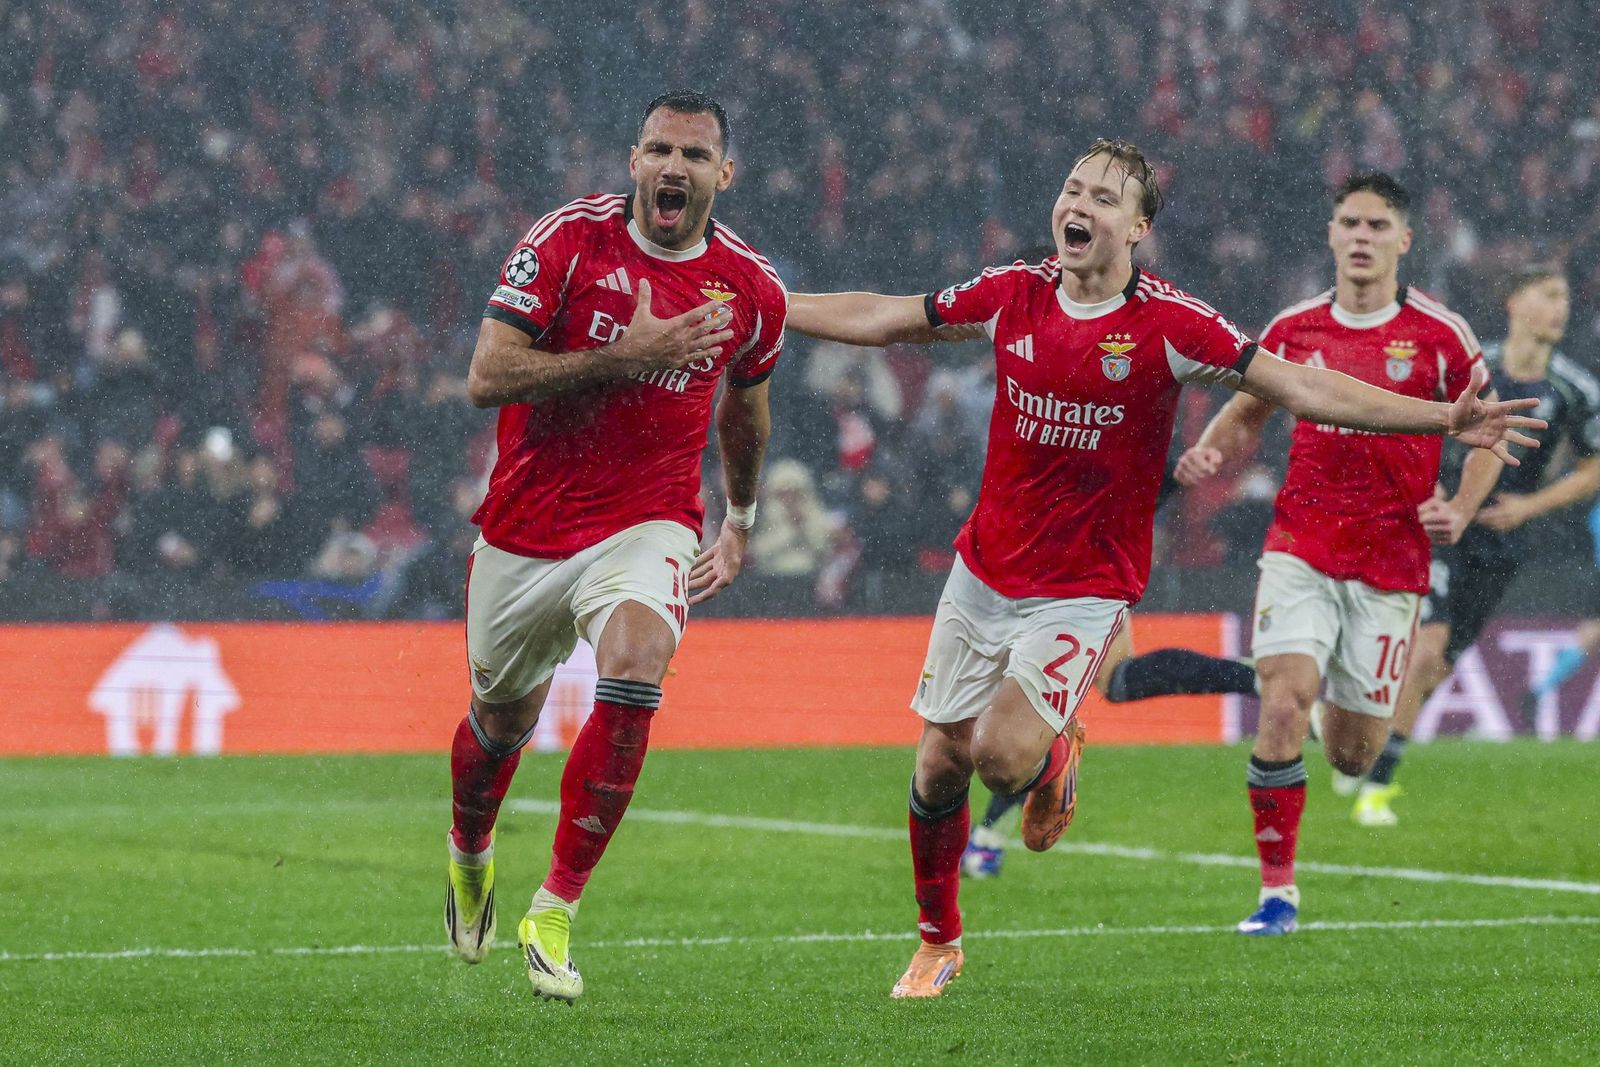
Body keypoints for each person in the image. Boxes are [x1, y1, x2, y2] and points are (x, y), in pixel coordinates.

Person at [784, 143, 1542, 996]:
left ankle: (1052, 756)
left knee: (999, 756)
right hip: (982, 571)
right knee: (935, 764)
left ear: (1138, 227)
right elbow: (886, 315)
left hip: (1086, 586)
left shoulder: (1174, 324)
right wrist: (774, 304)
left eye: (1104, 198)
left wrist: (1443, 416)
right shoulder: (1012, 294)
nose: (1080, 204)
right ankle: (938, 940)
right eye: (1072, 189)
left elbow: (1303, 388)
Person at [444, 89, 788, 1004]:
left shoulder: (753, 289)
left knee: (637, 667)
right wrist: (626, 354)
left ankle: (554, 905)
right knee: (497, 725)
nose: (673, 167)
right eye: (658, 150)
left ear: (725, 173)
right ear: (633, 161)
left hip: (649, 519)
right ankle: (470, 852)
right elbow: (487, 375)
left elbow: (746, 410)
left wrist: (741, 517)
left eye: (694, 154)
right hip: (526, 526)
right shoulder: (564, 241)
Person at [1167, 173, 1513, 936]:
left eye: (1376, 225)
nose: (1361, 236)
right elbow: (1248, 406)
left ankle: (1337, 717)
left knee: (1356, 754)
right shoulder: (1294, 328)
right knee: (1283, 697)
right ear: (1330, 235)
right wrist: (1209, 452)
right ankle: (1277, 894)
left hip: (1391, 560)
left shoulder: (1441, 335)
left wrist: (1459, 506)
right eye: (1349, 223)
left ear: (1403, 239)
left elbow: (1488, 432)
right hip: (1302, 541)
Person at [1347, 265, 1600, 823]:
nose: (1561, 307)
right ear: (1515, 302)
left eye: (1564, 297)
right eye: (1548, 293)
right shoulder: (1470, 367)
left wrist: (1530, 507)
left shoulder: (1575, 389)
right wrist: (1432, 487)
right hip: (1442, 525)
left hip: (1503, 542)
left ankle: (1366, 745)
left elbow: (1593, 467)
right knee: (1428, 649)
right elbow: (1413, 420)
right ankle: (1378, 788)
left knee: (1436, 667)